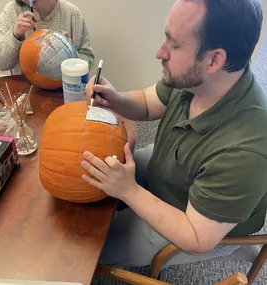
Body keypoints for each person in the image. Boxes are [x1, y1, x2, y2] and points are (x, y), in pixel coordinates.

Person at [84, 0, 267, 268]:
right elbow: (148, 103)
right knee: (98, 172)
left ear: (215, 59)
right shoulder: (194, 77)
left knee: (89, 246)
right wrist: (116, 99)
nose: (160, 52)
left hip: (193, 221)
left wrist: (129, 191)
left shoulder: (244, 151)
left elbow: (196, 238)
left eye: (174, 44)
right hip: (171, 170)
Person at [0, 0, 95, 75]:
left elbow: (88, 59)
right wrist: (15, 35)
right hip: (24, 90)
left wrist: (69, 53)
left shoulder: (72, 14)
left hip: (63, 89)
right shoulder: (11, 11)